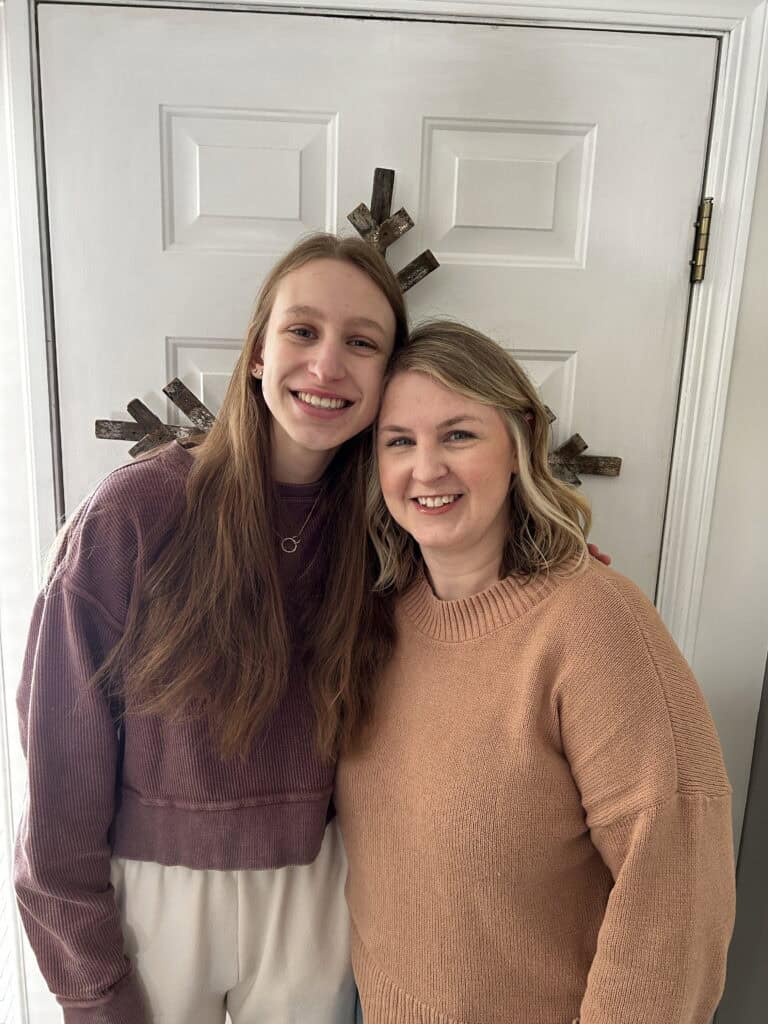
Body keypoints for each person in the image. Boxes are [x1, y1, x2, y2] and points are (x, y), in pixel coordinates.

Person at [13, 233, 410, 1024]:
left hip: (315, 885)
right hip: (148, 891)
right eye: (302, 331)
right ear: (258, 353)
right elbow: (62, 753)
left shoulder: (389, 525)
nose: (328, 365)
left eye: (361, 343)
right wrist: (89, 983)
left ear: (386, 379)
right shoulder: (136, 511)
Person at [336, 320, 736, 1024]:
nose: (425, 468)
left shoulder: (594, 622)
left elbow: (676, 884)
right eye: (399, 441)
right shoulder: (375, 620)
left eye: (458, 434)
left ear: (519, 442)